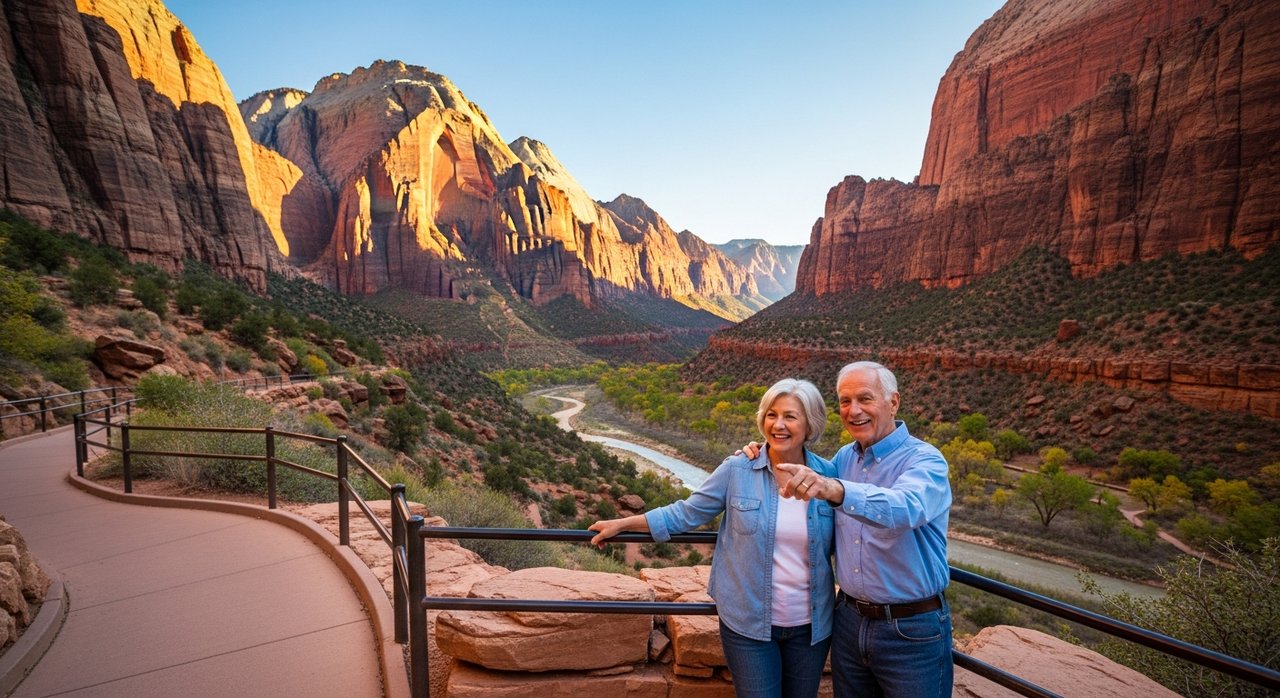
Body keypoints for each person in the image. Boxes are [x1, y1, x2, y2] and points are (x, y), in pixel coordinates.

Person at [589, 378, 837, 698]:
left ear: (809, 424)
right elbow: (687, 512)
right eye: (771, 414)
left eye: (790, 416)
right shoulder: (738, 469)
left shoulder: (829, 476)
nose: (778, 424)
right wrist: (624, 524)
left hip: (811, 629)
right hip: (748, 625)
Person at [748, 361, 953, 697]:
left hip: (911, 629)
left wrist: (836, 490)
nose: (854, 410)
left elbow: (904, 508)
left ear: (894, 402)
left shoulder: (925, 460)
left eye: (865, 399)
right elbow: (800, 464)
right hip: (849, 622)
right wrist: (759, 450)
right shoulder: (845, 458)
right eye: (845, 401)